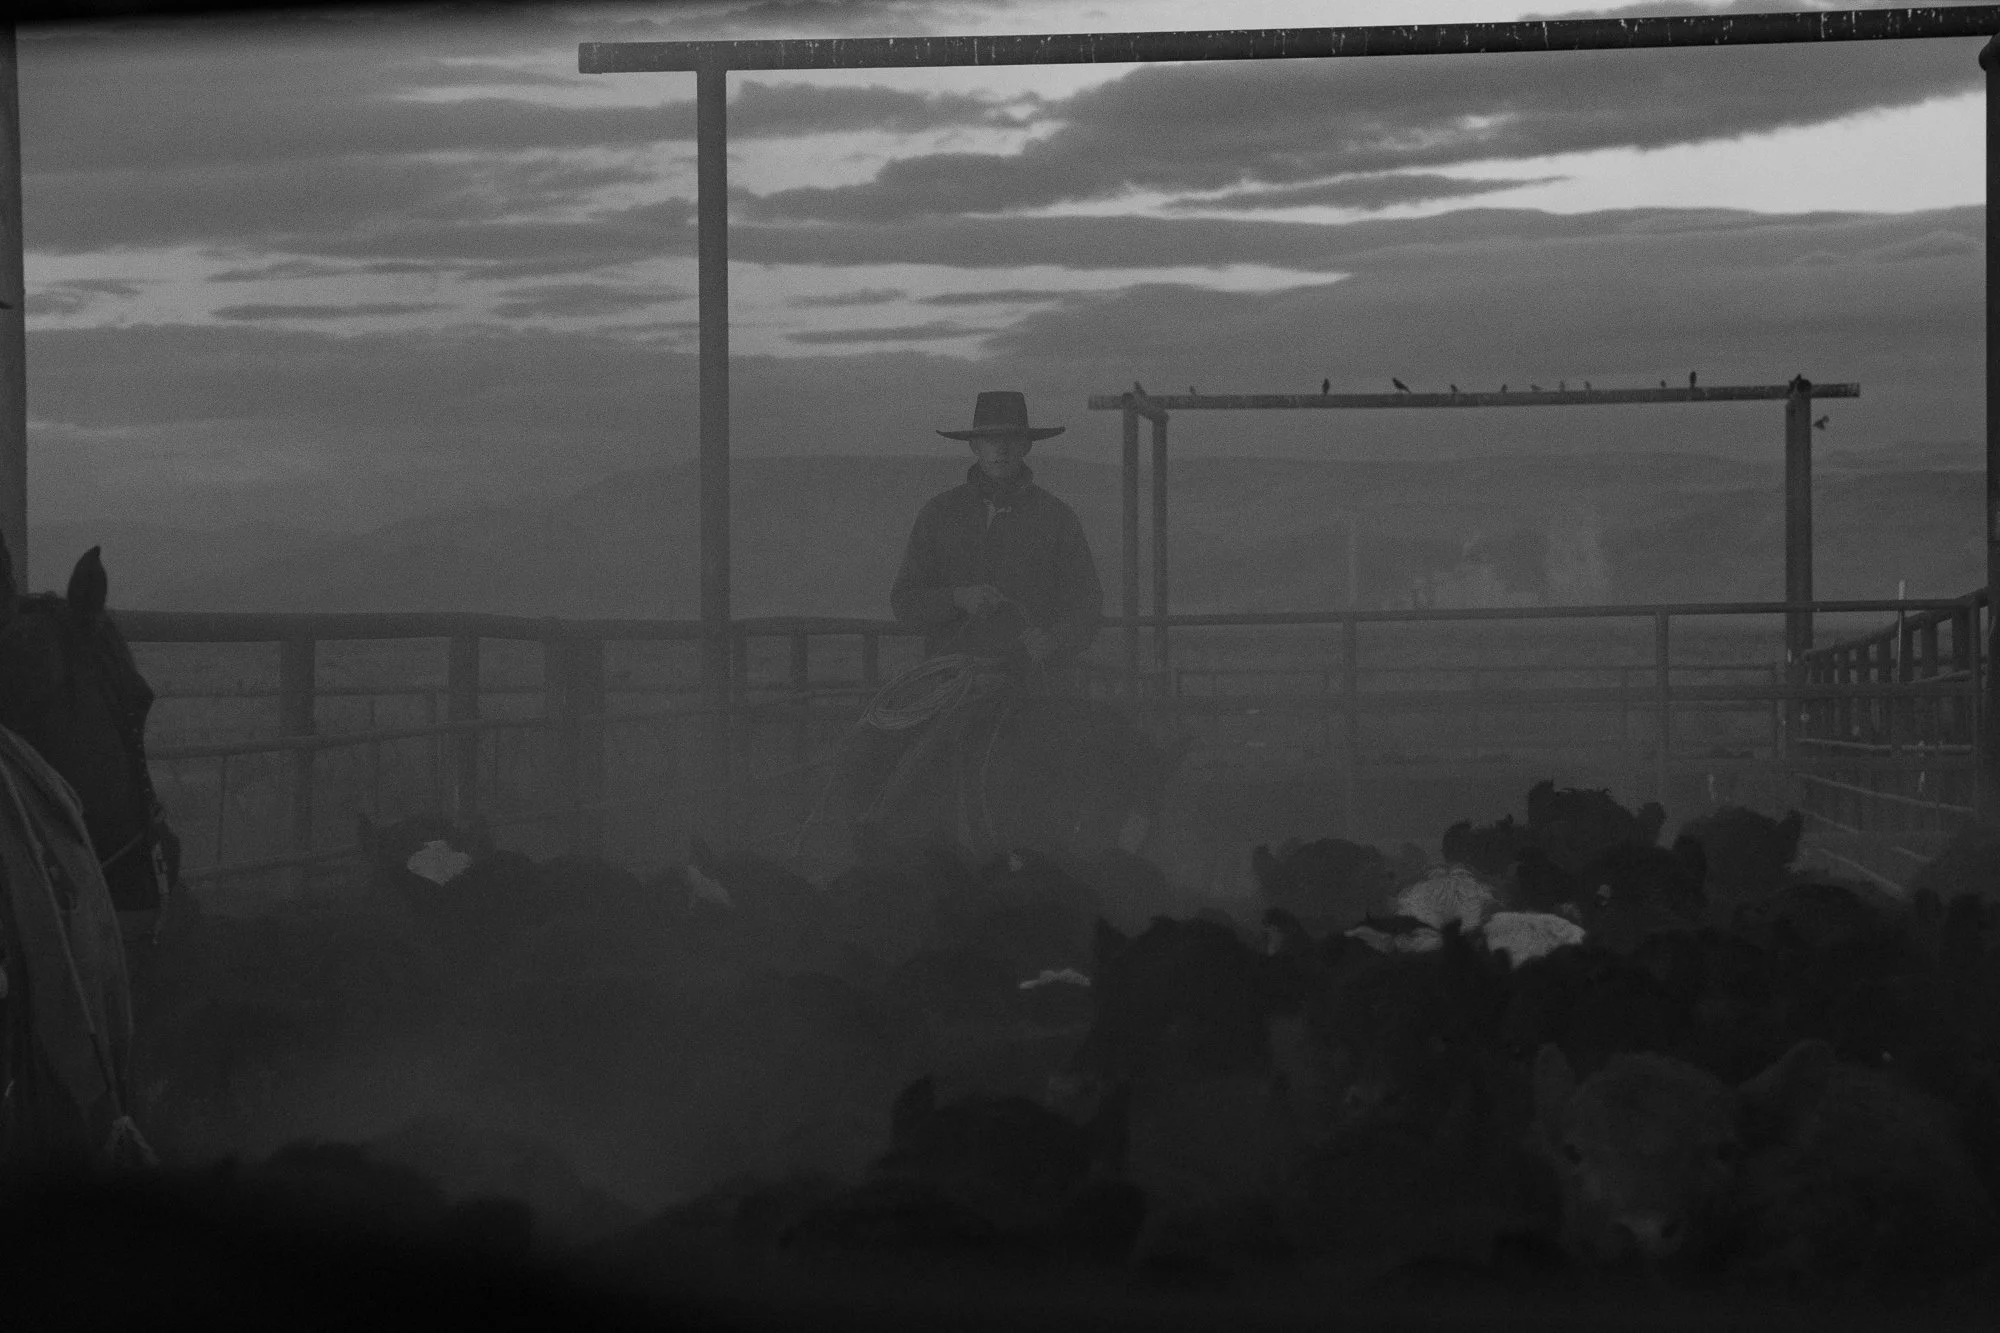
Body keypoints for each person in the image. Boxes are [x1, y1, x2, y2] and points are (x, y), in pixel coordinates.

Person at [835, 390, 1105, 842]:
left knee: (1090, 772)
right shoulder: (939, 516)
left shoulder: (1057, 519)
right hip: (952, 685)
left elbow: (1087, 605)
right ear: (973, 447)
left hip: (1036, 684)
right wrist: (957, 598)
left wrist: (1052, 640)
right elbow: (905, 604)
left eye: (1010, 439)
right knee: (872, 757)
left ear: (1027, 446)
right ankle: (869, 845)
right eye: (990, 440)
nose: (1000, 448)